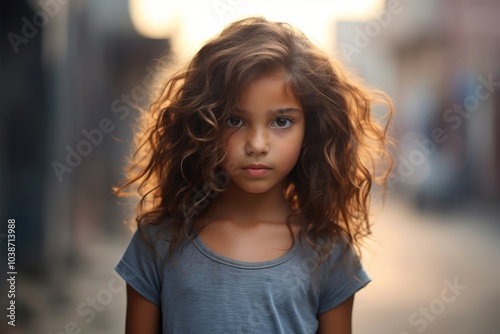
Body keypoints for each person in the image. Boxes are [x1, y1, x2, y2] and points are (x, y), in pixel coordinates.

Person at [114, 16, 393, 334]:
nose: (257, 145)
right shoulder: (158, 242)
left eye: (281, 122)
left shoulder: (327, 252)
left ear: (311, 129)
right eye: (234, 120)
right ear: (205, 125)